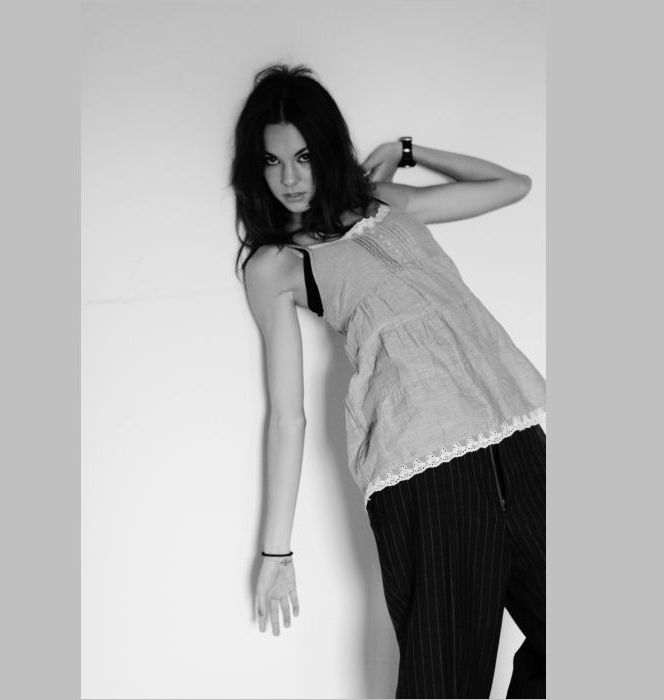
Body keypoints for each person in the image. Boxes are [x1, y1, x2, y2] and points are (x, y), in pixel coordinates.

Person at [230, 63, 546, 700]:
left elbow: (513, 185)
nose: (289, 178)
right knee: (445, 683)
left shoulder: (385, 203)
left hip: (515, 437)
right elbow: (288, 416)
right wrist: (275, 552)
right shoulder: (277, 264)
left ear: (329, 150)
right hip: (428, 471)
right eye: (272, 161)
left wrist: (406, 151)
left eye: (304, 156)